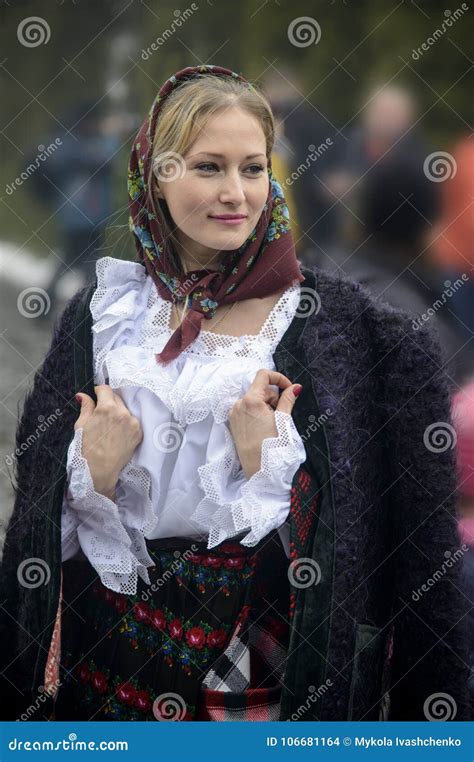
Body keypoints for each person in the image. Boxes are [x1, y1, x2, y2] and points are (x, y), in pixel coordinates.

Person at [0, 65, 470, 722]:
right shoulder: (100, 319)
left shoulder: (366, 339)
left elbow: (424, 569)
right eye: (208, 167)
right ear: (157, 177)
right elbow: (31, 544)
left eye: (253, 168)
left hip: (263, 682)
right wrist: (93, 479)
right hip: (105, 672)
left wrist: (269, 469)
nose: (236, 192)